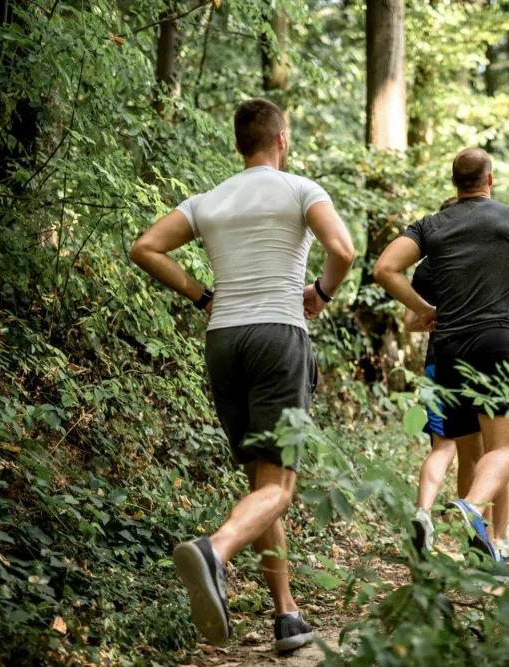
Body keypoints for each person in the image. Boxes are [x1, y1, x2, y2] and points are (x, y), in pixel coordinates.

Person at [130, 99, 355, 652]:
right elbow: (343, 250)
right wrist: (321, 293)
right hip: (278, 336)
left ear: (238, 146)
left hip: (224, 341)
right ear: (282, 140)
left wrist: (203, 296)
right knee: (279, 487)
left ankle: (287, 615)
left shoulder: (208, 200)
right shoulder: (301, 190)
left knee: (261, 482)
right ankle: (216, 551)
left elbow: (145, 248)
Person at [374, 147, 509, 563]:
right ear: (489, 179)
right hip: (497, 341)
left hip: (450, 349)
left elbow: (384, 269)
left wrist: (424, 310)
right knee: (503, 449)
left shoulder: (430, 225)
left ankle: (479, 552)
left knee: (468, 451)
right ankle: (472, 507)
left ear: (454, 183)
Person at [406, 198, 509, 562]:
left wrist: (432, 314)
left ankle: (427, 514)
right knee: (498, 449)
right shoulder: (488, 250)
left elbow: (410, 321)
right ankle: (498, 536)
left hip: (441, 360)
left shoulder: (427, 266)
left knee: (453, 451)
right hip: (488, 350)